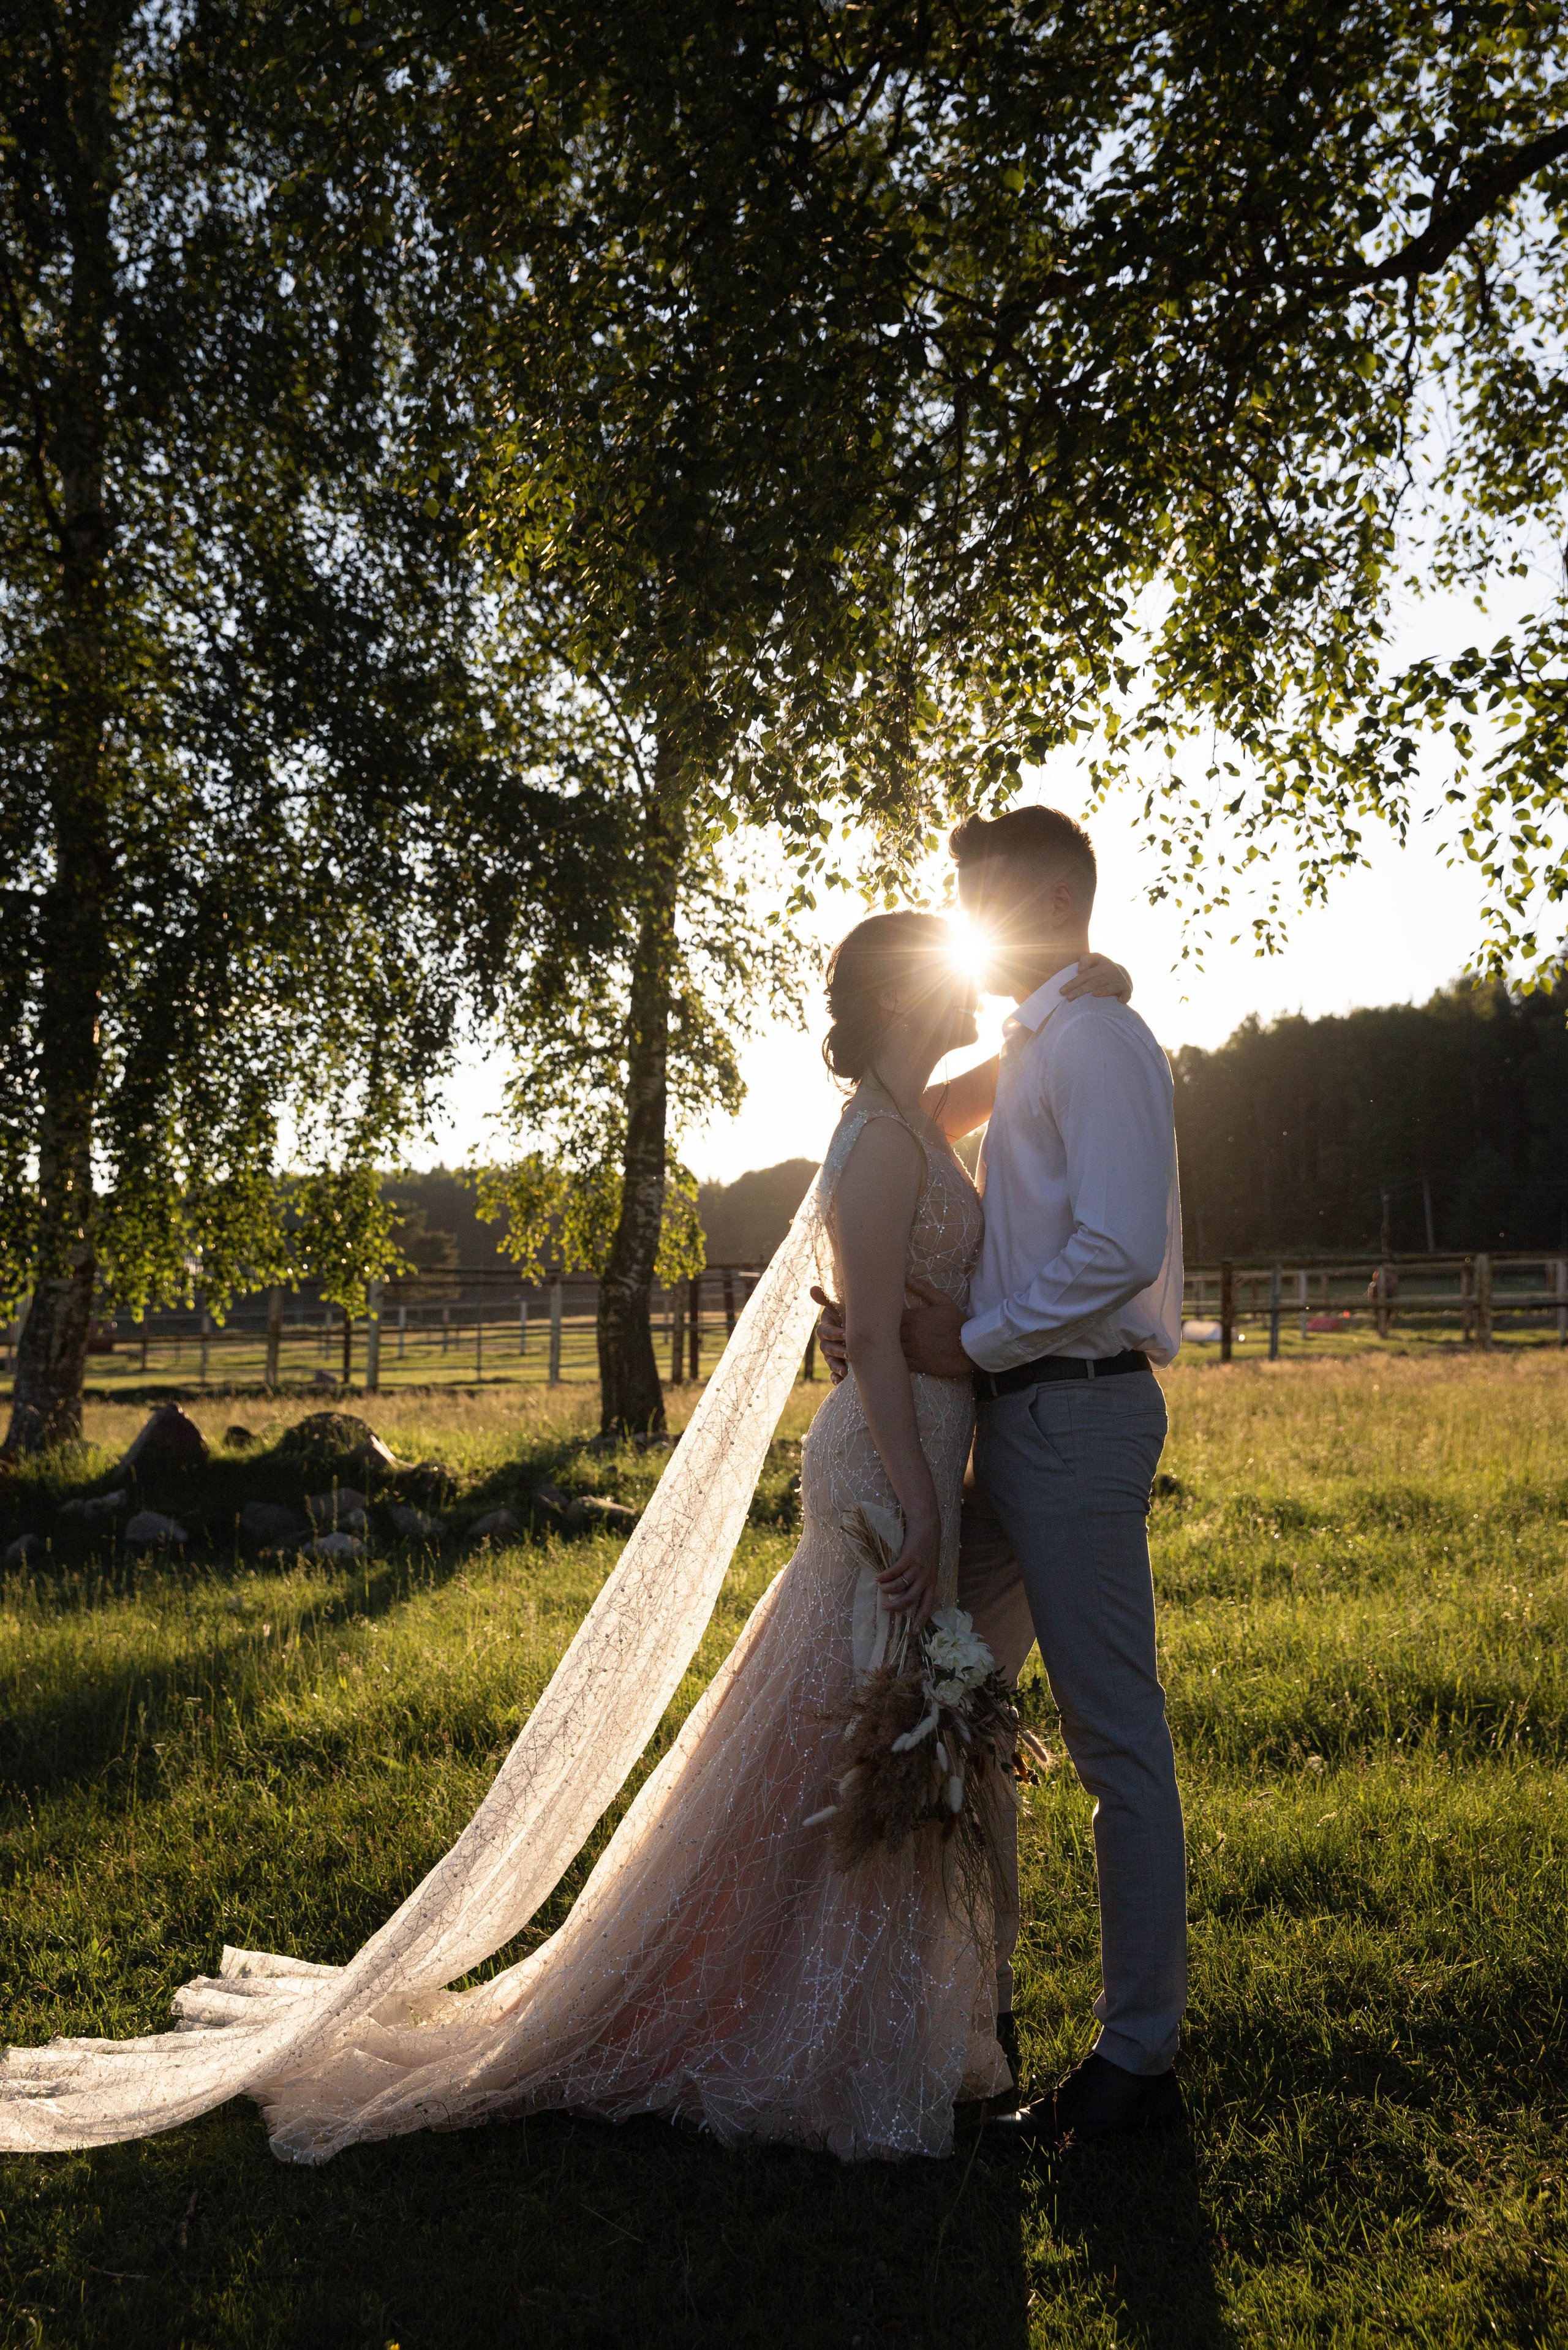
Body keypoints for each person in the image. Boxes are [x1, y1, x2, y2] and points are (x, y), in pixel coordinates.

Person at [0, 908, 1130, 2167]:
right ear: (896, 1000)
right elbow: (864, 1334)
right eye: (951, 972)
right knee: (845, 1718)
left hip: (921, 1453)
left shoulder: (919, 1111)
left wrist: (1074, 984)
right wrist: (921, 1504)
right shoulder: (873, 1139)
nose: (975, 988)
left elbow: (1006, 1070)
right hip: (887, 1466)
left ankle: (857, 2008)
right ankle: (781, 2011)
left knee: (852, 1722)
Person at [816, 805, 1186, 2155]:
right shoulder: (1043, 1039)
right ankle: (947, 2009)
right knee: (937, 1698)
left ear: (1038, 906)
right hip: (1008, 1428)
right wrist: (878, 1312)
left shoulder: (1097, 1044)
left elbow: (1114, 1249)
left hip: (1075, 1420)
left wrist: (960, 1338)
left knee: (1111, 1739)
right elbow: (916, 1141)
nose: (968, 935)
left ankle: (1135, 2060)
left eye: (980, 905)